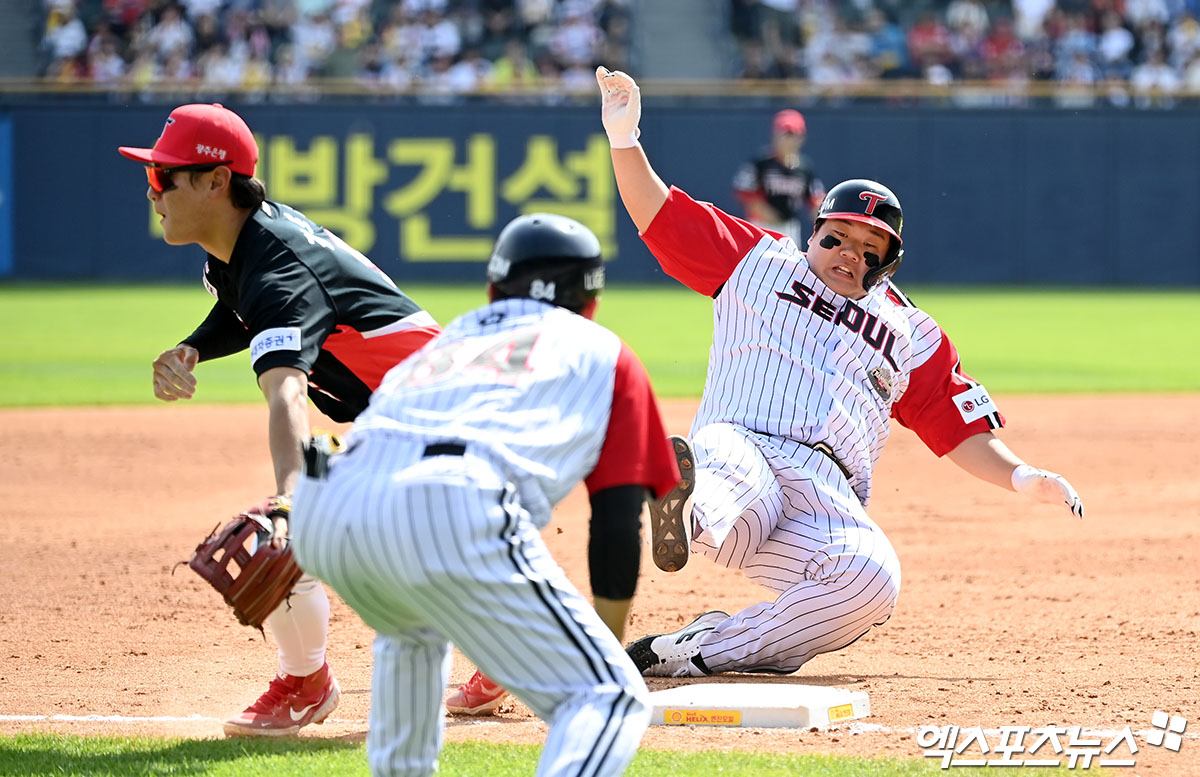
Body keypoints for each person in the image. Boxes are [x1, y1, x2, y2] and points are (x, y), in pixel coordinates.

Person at [594, 66, 1086, 678]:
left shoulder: (913, 334)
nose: (848, 254)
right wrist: (624, 140)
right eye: (837, 238)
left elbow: (958, 426)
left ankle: (690, 651)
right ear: (816, 232)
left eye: (867, 249)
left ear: (887, 264)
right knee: (731, 483)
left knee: (873, 579)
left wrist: (1022, 477)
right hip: (740, 445)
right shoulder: (757, 260)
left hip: (824, 494)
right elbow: (660, 215)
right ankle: (687, 505)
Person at [289, 213, 681, 776]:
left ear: (496, 284)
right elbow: (618, 521)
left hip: (329, 506)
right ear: (590, 295)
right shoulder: (604, 351)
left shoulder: (450, 341)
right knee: (607, 696)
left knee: (412, 634)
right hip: (452, 500)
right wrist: (605, 646)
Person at [117, 103, 441, 736]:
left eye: (164, 178)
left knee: (293, 533)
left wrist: (291, 500)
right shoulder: (242, 247)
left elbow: (286, 393)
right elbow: (243, 312)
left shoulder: (278, 269)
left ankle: (306, 685)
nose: (152, 191)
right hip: (406, 423)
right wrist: (193, 347)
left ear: (216, 181)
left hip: (445, 427)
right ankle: (495, 647)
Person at [731, 108, 825, 245]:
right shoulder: (762, 163)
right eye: (785, 134)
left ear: (802, 138)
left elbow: (816, 201)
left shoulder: (804, 168)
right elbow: (744, 190)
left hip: (789, 227)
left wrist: (821, 224)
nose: (788, 140)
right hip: (761, 226)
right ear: (775, 135)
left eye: (793, 135)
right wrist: (764, 212)